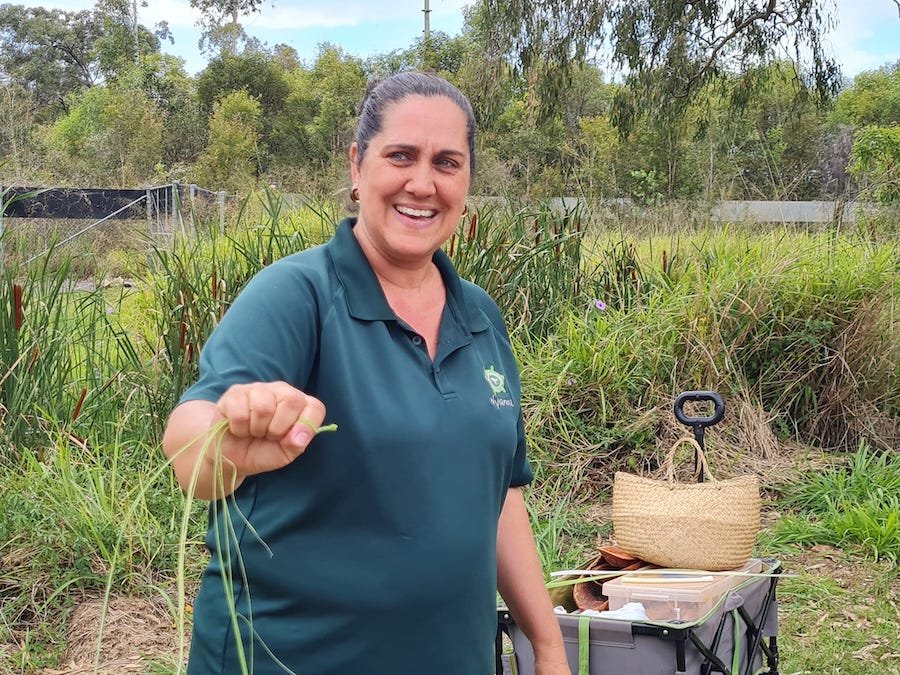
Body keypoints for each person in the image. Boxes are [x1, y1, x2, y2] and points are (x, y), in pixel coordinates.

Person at [162, 71, 570, 675]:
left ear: (467, 182)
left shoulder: (480, 315)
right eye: (400, 156)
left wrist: (549, 645)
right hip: (293, 659)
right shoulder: (295, 295)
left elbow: (500, 494)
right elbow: (190, 447)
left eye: (447, 163)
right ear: (358, 167)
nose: (422, 183)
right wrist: (234, 434)